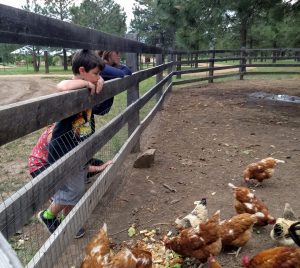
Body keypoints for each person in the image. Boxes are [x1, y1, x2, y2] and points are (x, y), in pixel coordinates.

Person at [38, 49, 112, 239]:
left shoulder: (88, 87)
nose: (98, 78)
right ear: (81, 70)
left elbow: (101, 106)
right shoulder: (74, 87)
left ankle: (69, 223)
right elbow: (61, 86)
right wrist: (88, 82)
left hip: (79, 149)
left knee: (76, 185)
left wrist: (98, 81)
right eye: (95, 73)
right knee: (74, 188)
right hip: (64, 150)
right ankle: (48, 216)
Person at [28, 124, 113, 180]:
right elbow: (72, 165)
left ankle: (75, 182)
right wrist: (100, 168)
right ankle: (57, 193)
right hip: (41, 167)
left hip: (59, 162)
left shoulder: (73, 129)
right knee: (65, 182)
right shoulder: (57, 134)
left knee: (98, 163)